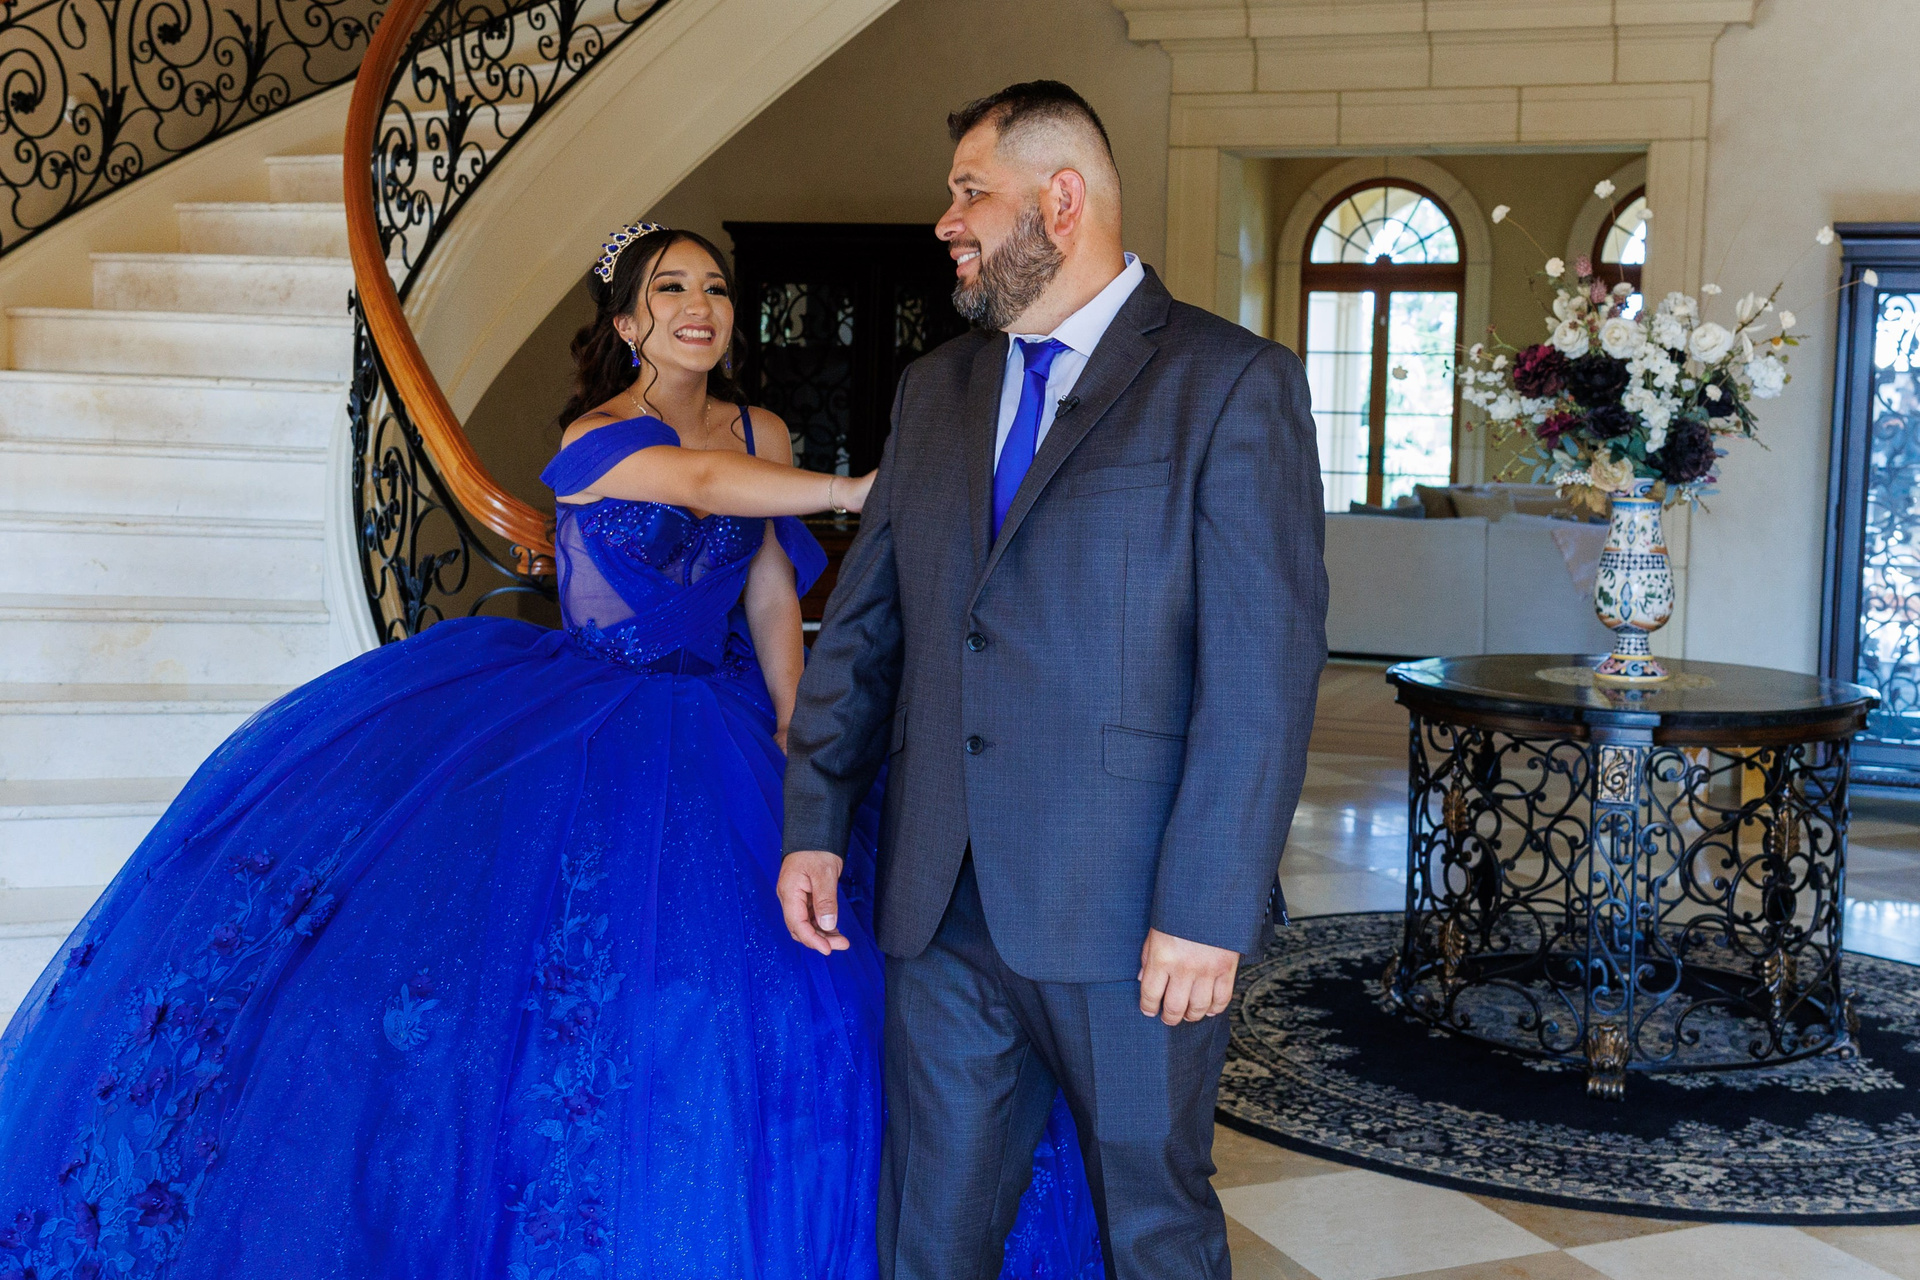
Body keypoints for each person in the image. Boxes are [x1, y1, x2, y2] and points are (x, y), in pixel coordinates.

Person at [0, 222, 1097, 1278]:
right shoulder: (593, 438)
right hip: (593, 713)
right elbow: (698, 486)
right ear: (626, 323)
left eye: (715, 288)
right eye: (671, 289)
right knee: (575, 974)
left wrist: (792, 715)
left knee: (799, 983)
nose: (700, 307)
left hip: (722, 712)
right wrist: (857, 490)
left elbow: (769, 581)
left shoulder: (762, 430)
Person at [780, 82, 1328, 1278]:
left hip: (1131, 913)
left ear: (1061, 200)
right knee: (928, 1236)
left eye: (970, 191)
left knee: (1152, 1229)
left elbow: (1261, 673)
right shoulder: (934, 389)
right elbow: (866, 627)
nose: (947, 221)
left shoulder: (1230, 382)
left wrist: (1207, 905)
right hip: (939, 903)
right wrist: (815, 820)